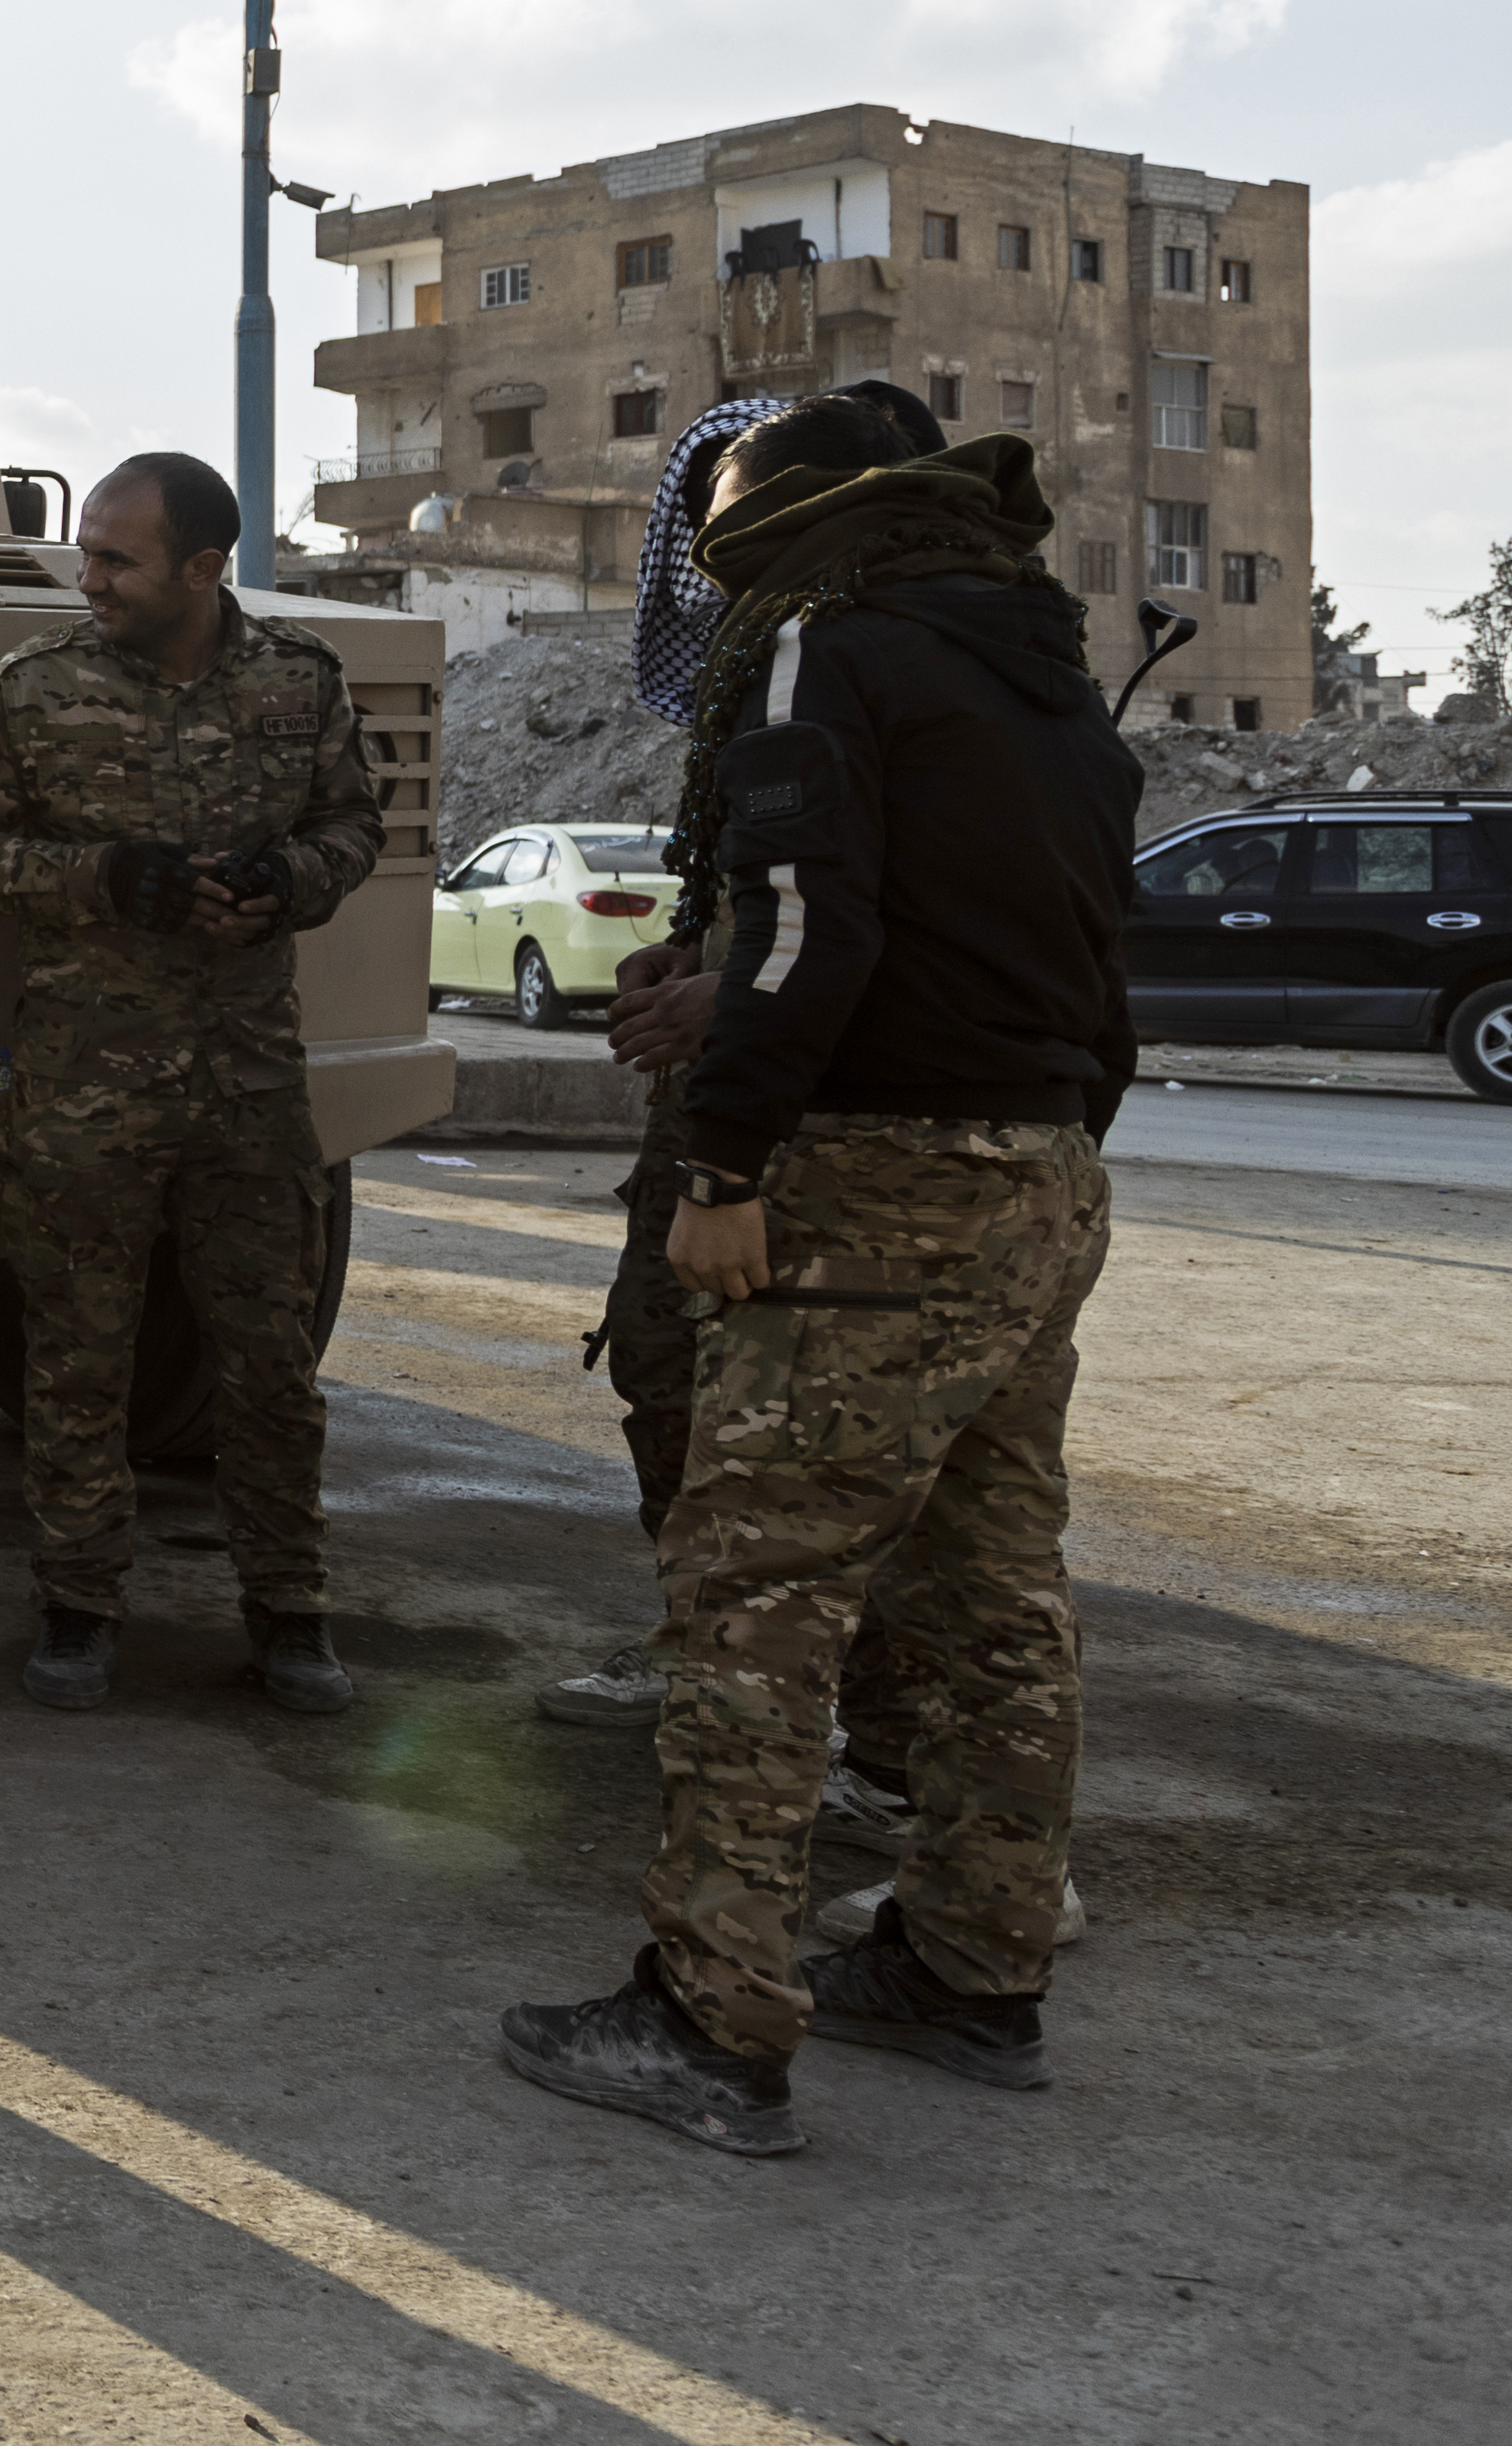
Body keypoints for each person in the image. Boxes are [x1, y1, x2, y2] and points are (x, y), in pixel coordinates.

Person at [498, 396, 1137, 2157]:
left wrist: (721, 1159)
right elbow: (1099, 973)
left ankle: (711, 2020)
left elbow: (799, 928)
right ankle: (971, 1968)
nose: (710, 558)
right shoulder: (1047, 685)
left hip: (864, 1183)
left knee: (756, 1597)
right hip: (1044, 1175)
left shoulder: (823, 650)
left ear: (797, 521)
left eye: (721, 519)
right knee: (995, 1593)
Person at [0, 447, 381, 1717]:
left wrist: (289, 884)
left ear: (201, 568)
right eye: (91, 551)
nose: (91, 576)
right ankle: (77, 1613)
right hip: (83, 1086)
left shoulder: (302, 681)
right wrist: (102, 878)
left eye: (118, 558)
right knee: (77, 1358)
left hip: (248, 1080)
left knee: (270, 1360)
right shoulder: (36, 688)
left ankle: (289, 1614)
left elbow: (353, 826)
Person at [541, 376, 946, 1733]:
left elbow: (893, 921)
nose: (721, 565)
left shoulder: (900, 674)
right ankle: (702, 1649)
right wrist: (686, 962)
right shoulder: (771, 682)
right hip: (725, 1109)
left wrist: (730, 999)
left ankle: (874, 1735)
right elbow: (761, 893)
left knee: (844, 1456)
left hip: (838, 1130)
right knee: (666, 1378)